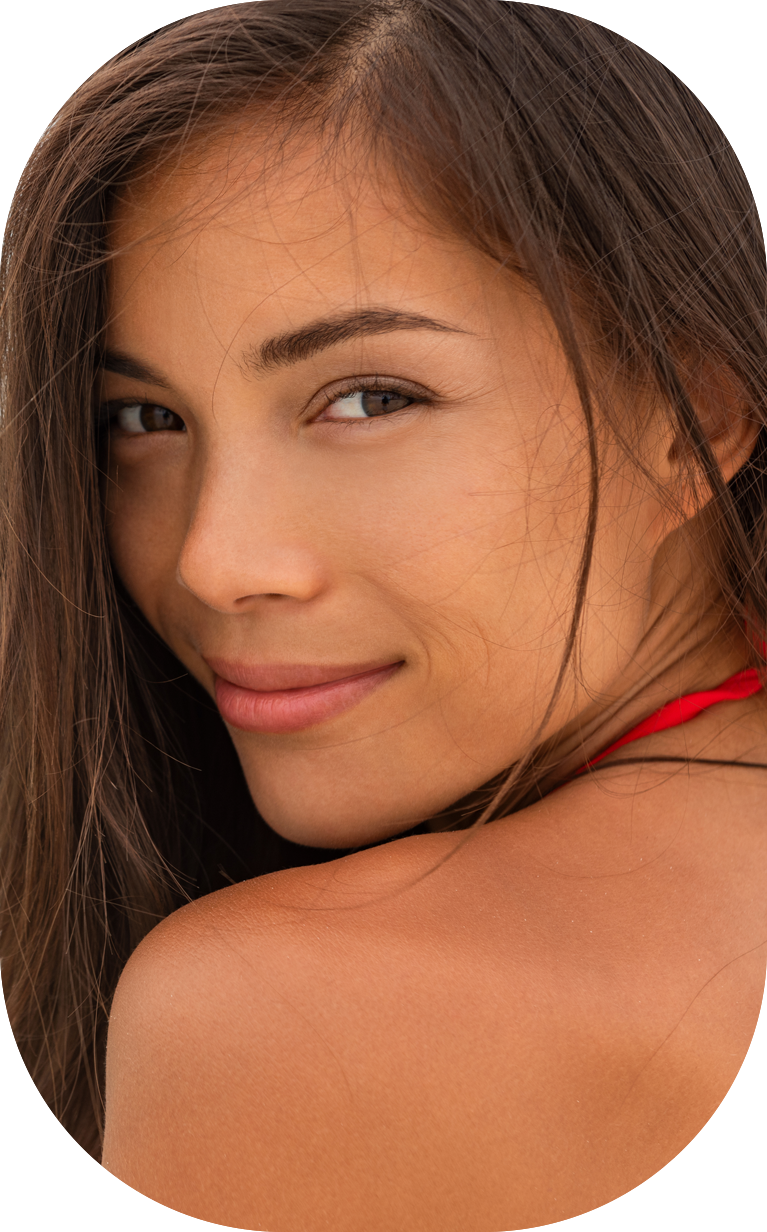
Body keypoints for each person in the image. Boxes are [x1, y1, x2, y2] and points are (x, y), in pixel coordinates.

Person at [2, 2, 767, 1228]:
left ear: (693, 417)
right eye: (144, 420)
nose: (214, 561)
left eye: (366, 398)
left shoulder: (281, 1008)